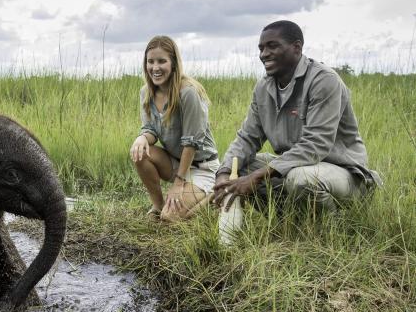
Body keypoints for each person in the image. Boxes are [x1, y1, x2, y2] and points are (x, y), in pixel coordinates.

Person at [213, 20, 381, 214]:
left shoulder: (323, 80)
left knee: (302, 179)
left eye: (272, 46)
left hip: (341, 171)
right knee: (241, 168)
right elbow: (247, 138)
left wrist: (259, 176)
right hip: (295, 166)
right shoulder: (263, 87)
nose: (264, 54)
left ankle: (335, 224)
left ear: (297, 48)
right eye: (261, 48)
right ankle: (288, 219)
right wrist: (224, 174)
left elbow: (316, 144)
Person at [130, 35, 220, 222]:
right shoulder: (145, 92)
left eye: (162, 61)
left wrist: (178, 184)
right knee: (139, 152)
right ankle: (157, 205)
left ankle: (213, 194)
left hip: (202, 167)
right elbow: (150, 130)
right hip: (176, 162)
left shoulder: (188, 92)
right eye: (150, 61)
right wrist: (142, 138)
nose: (155, 68)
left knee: (170, 218)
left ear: (173, 63)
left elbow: (191, 144)